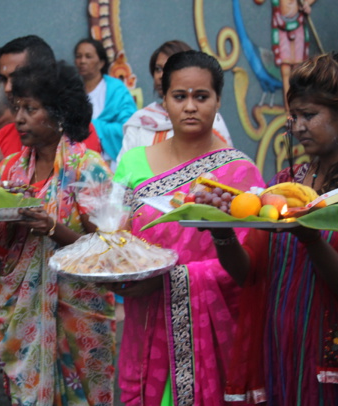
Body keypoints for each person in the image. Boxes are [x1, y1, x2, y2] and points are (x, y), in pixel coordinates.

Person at [0, 62, 116, 405]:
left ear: (59, 114)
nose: (20, 118)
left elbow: (106, 251)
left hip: (78, 318)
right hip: (22, 320)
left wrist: (53, 229)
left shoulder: (88, 170)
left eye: (31, 109)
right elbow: (2, 256)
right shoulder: (10, 169)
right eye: (17, 108)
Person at [112, 50, 265, 405]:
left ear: (218, 100)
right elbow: (117, 237)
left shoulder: (240, 172)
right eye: (180, 96)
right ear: (164, 101)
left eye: (202, 96)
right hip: (146, 319)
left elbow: (251, 265)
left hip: (216, 328)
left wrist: (167, 278)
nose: (191, 106)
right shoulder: (134, 162)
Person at [211, 52, 338, 405]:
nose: (297, 127)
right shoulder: (282, 185)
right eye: (293, 116)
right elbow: (248, 273)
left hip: (328, 358)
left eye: (309, 115)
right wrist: (221, 233)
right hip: (278, 349)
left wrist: (311, 239)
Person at [0, 35, 102, 180]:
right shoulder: (6, 134)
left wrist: (4, 174)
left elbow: (76, 185)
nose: (8, 88)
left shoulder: (80, 140)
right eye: (3, 79)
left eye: (17, 77)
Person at [119, 40, 232, 163]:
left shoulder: (210, 119)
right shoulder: (141, 122)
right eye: (158, 69)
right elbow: (124, 174)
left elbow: (227, 170)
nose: (161, 75)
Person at [74, 38, 137, 168]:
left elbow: (130, 128)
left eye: (88, 56)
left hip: (112, 162)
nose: (82, 61)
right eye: (78, 56)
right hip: (79, 162)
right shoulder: (72, 91)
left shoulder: (116, 89)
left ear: (101, 62)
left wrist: (93, 126)